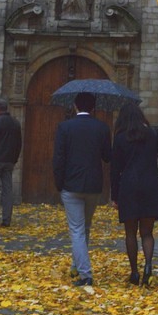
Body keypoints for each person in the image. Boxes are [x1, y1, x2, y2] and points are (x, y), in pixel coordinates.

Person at [52, 90, 112, 287]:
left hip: (71, 184)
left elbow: (59, 158)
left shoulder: (65, 127)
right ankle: (76, 266)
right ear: (93, 107)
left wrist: (59, 183)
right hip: (94, 184)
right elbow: (107, 156)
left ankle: (85, 274)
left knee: (77, 230)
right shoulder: (102, 128)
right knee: (84, 228)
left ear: (75, 106)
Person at [110, 103, 158, 285]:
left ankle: (134, 272)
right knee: (147, 233)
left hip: (128, 186)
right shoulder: (154, 134)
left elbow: (115, 169)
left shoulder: (120, 138)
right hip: (151, 184)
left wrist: (115, 195)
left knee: (130, 232)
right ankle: (148, 266)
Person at [0, 98, 23, 227]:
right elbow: (19, 143)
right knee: (7, 189)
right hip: (9, 160)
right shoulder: (15, 123)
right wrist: (14, 158)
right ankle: (7, 218)